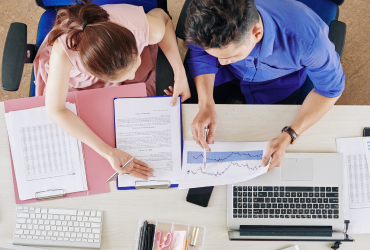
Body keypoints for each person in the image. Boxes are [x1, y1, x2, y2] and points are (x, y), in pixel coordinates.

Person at [33, 0, 190, 179]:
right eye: (124, 76)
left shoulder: (145, 30)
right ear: (99, 75)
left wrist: (180, 73)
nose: (132, 77)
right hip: (76, 81)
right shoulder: (63, 53)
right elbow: (55, 110)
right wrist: (108, 152)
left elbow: (164, 18)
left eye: (134, 65)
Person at [185, 0, 345, 171]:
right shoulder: (208, 22)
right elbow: (201, 53)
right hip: (224, 76)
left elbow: (329, 90)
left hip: (277, 86)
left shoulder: (310, 44)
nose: (222, 62)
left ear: (256, 33)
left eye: (230, 55)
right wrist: (206, 103)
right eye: (216, 55)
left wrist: (290, 134)